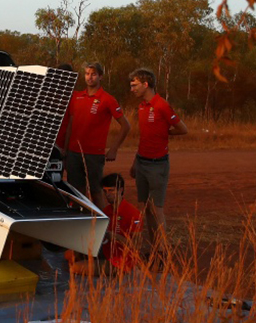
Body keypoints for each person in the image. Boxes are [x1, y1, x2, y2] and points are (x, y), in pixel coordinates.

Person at [128, 68, 187, 252]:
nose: (132, 89)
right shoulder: (141, 107)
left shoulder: (161, 105)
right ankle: (154, 249)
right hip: (142, 162)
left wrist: (165, 133)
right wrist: (135, 162)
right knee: (144, 208)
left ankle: (162, 252)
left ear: (146, 84)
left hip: (157, 165)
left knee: (156, 209)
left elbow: (182, 129)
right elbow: (144, 137)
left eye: (134, 85)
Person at [64, 62, 131, 209]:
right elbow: (70, 124)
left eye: (93, 74)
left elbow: (126, 125)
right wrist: (65, 149)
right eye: (87, 73)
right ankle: (80, 223)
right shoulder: (76, 97)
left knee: (96, 191)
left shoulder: (108, 99)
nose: (90, 77)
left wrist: (114, 148)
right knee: (76, 192)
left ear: (100, 76)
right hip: (74, 152)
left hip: (94, 154)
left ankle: (103, 228)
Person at [67, 173, 143, 276]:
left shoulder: (133, 213)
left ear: (120, 190)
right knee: (70, 254)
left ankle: (123, 272)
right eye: (105, 191)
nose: (107, 195)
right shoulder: (107, 211)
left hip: (120, 261)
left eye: (111, 191)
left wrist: (114, 236)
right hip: (106, 252)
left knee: (75, 268)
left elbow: (136, 245)